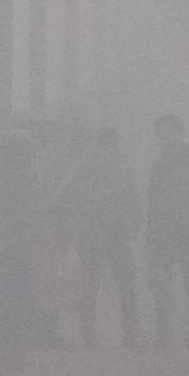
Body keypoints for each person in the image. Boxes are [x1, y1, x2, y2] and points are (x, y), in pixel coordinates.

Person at [145, 114, 189, 349]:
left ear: (178, 132)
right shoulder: (162, 162)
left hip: (188, 231)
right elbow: (153, 200)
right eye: (159, 133)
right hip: (167, 231)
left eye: (165, 132)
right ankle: (165, 333)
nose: (162, 138)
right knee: (164, 282)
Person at [71, 125, 143, 346]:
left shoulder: (84, 165)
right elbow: (131, 195)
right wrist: (138, 223)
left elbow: (75, 199)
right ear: (115, 143)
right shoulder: (121, 165)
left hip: (89, 233)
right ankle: (131, 334)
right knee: (127, 284)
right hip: (116, 233)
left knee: (89, 285)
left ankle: (88, 337)